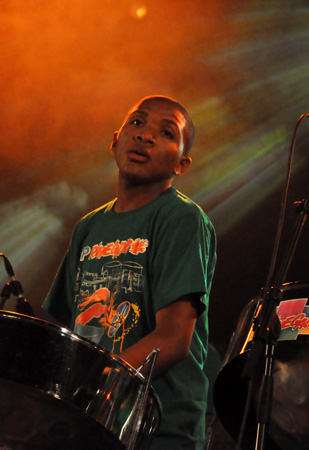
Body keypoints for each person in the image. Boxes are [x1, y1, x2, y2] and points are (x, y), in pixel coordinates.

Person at [43, 95, 217, 450]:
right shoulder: (89, 227)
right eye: (137, 123)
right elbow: (59, 327)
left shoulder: (182, 219)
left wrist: (93, 379)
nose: (145, 136)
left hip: (158, 429)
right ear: (115, 140)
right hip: (93, 421)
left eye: (166, 132)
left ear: (182, 164)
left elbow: (172, 341)